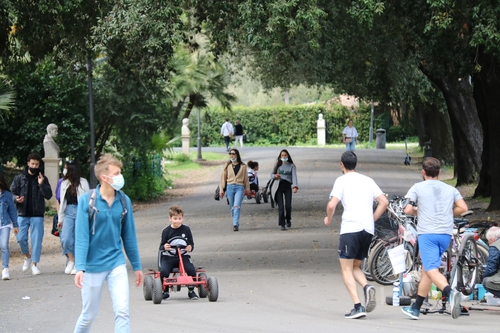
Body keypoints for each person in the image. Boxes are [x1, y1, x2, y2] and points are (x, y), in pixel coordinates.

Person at [73, 153, 143, 333]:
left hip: (115, 262)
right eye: (117, 173)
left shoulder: (123, 201)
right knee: (89, 315)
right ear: (105, 177)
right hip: (92, 265)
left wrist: (137, 266)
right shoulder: (86, 201)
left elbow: (129, 236)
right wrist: (80, 267)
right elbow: (81, 237)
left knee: (122, 312)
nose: (121, 177)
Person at [401, 157, 468, 320]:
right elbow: (463, 208)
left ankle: (450, 294)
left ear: (423, 172)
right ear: (439, 172)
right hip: (445, 234)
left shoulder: (417, 188)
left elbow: (407, 209)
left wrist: (418, 210)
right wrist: (447, 213)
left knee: (431, 269)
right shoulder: (450, 189)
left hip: (428, 234)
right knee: (427, 271)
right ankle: (416, 308)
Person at [324, 151, 388, 319]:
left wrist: (328, 219)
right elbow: (384, 202)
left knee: (346, 268)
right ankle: (367, 287)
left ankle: (358, 306)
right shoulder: (368, 180)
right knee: (355, 266)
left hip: (350, 230)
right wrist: (372, 219)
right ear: (356, 164)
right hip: (367, 230)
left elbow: (331, 205)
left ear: (341, 165)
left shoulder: (341, 180)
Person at [10, 152, 52, 275]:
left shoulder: (43, 178)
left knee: (37, 240)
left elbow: (49, 195)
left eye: (37, 164)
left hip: (37, 214)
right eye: (32, 163)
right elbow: (11, 193)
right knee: (20, 238)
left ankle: (34, 264)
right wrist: (16, 199)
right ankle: (27, 256)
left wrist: (41, 184)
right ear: (28, 163)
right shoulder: (19, 178)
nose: (34, 166)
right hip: (22, 213)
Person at [159, 205, 198, 300]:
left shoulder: (186, 229)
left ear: (182, 218)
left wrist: (190, 247)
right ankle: (165, 290)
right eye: (175, 218)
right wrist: (165, 247)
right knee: (164, 271)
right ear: (170, 219)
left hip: (183, 255)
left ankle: (191, 290)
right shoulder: (166, 231)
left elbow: (191, 244)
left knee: (192, 270)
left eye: (179, 218)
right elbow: (161, 246)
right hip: (169, 256)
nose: (177, 221)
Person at [58, 160, 89, 275]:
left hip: (81, 211)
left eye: (66, 168)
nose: (64, 170)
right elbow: (62, 202)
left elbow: (88, 199)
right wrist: (60, 219)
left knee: (78, 238)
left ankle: (78, 263)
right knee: (65, 238)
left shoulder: (83, 182)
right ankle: (71, 259)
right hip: (68, 211)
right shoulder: (64, 183)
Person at [218, 148, 250, 232]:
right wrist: (221, 189)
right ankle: (234, 221)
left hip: (239, 187)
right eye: (230, 154)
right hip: (230, 187)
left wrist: (247, 189)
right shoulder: (227, 165)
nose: (231, 155)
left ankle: (235, 224)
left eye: (233, 153)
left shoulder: (243, 166)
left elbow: (246, 178)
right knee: (232, 207)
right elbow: (223, 178)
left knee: (236, 206)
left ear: (237, 155)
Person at [270, 149, 298, 230]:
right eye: (282, 155)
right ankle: (282, 224)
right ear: (280, 156)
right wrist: (275, 176)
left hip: (287, 185)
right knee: (281, 206)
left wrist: (295, 186)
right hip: (278, 185)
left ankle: (288, 219)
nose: (284, 157)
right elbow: (271, 175)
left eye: (285, 155)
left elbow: (294, 177)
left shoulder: (292, 166)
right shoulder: (278, 165)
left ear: (288, 156)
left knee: (288, 205)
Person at [0, 173, 19, 280]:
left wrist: (15, 225)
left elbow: (12, 210)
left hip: (5, 224)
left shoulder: (7, 195)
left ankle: (5, 269)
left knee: (4, 245)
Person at [482, 226, 500, 298]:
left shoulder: (495, 246)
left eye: (488, 241)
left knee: (486, 282)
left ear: (492, 239)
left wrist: (484, 276)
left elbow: (491, 268)